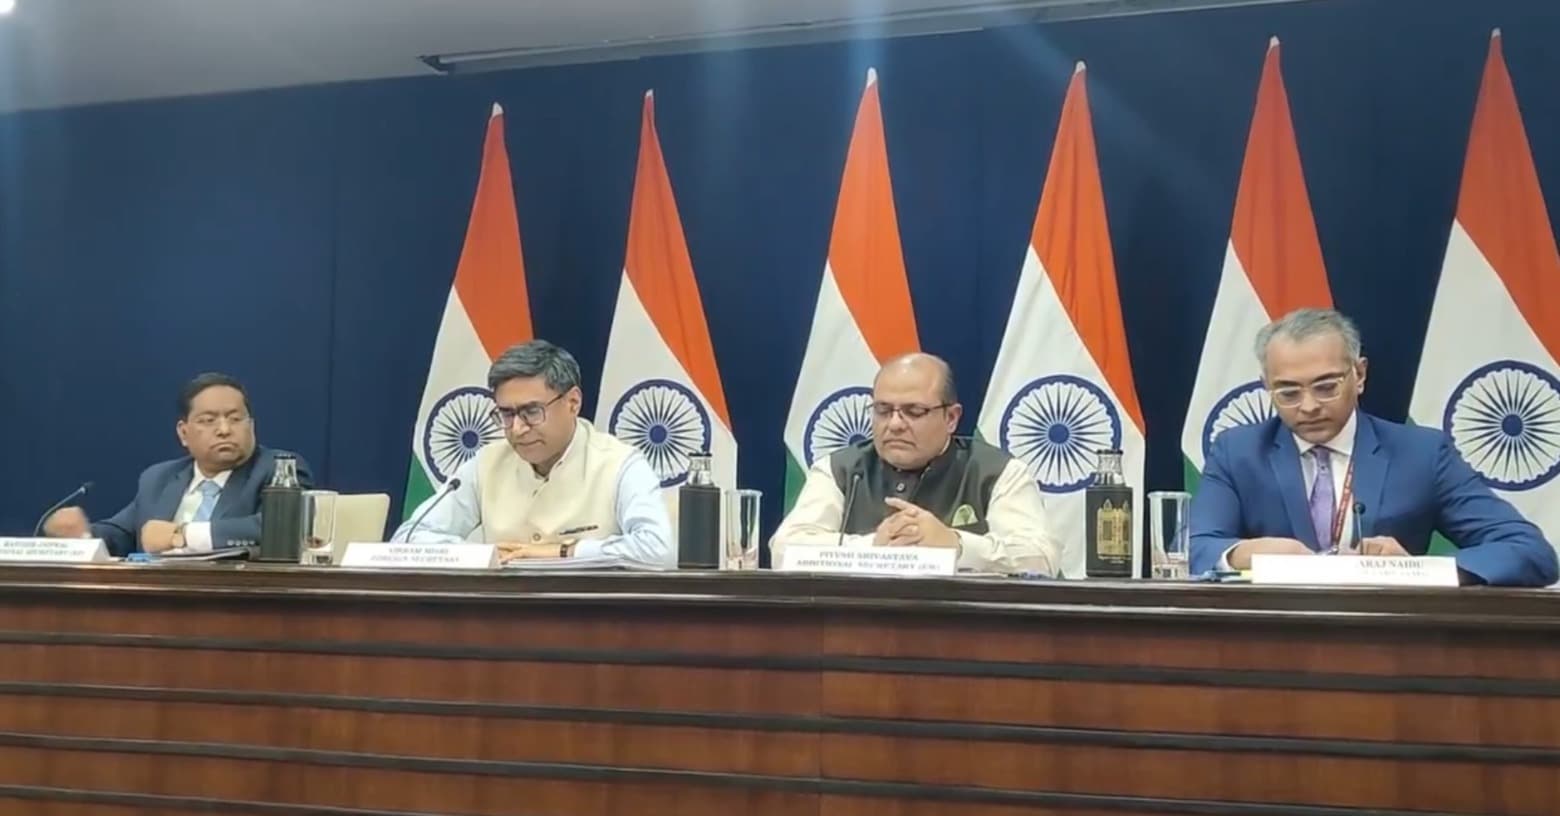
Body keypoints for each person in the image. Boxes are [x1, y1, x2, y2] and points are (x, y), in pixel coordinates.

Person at [1189, 308, 1557, 587]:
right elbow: (1194, 548)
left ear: (1359, 374)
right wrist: (1242, 553)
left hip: (1389, 645)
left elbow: (1529, 551)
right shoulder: (1238, 453)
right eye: (1288, 392)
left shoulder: (1423, 454)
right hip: (1272, 641)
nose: (1309, 406)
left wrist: (1414, 571)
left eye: (1326, 387)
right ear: (1266, 386)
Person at [393, 339, 673, 568]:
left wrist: (564, 552)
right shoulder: (487, 463)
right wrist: (484, 554)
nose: (517, 429)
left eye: (531, 412)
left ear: (573, 402)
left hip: (590, 614)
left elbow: (659, 550)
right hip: (502, 613)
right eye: (506, 414)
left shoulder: (620, 464)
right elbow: (408, 537)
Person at [772, 353, 1060, 575]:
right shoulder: (840, 470)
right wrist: (873, 547)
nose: (895, 424)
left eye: (914, 411)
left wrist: (955, 544)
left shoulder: (997, 472)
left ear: (951, 418)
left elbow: (1041, 558)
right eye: (883, 410)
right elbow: (783, 550)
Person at [41, 373, 313, 557]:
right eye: (208, 420)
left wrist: (181, 535)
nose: (224, 429)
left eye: (235, 418)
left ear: (251, 425)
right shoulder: (159, 478)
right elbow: (121, 534)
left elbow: (282, 530)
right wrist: (82, 536)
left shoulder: (278, 468)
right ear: (184, 433)